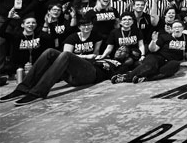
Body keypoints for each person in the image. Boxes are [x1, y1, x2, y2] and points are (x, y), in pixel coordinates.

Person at [0, 45, 134, 106]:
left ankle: (37, 92)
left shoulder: (121, 65)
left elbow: (120, 75)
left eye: (124, 51)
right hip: (78, 72)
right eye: (120, 48)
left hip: (92, 75)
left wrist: (129, 62)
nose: (120, 50)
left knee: (66, 55)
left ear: (127, 56)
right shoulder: (104, 57)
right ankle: (22, 88)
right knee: (50, 52)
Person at [111, 21, 187, 84]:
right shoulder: (164, 37)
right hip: (158, 56)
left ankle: (145, 78)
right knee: (150, 66)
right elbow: (153, 49)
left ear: (183, 28)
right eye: (175, 27)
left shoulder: (186, 38)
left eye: (179, 27)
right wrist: (153, 41)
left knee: (174, 66)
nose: (177, 28)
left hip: (171, 61)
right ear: (172, 29)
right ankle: (125, 78)